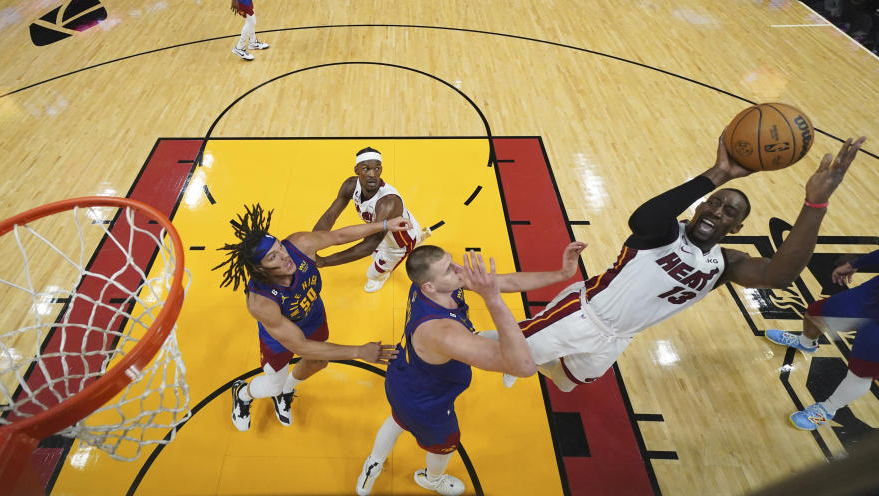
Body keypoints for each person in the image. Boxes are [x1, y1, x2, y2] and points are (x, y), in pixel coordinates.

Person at [498, 135, 865, 392]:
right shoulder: (664, 231)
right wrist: (719, 173)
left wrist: (815, 203)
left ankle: (538, 357)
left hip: (618, 338)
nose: (715, 211)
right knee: (503, 356)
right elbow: (641, 219)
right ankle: (451, 345)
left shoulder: (724, 262)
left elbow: (780, 275)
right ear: (700, 205)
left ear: (735, 228)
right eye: (713, 203)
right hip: (582, 314)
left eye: (728, 213)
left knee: (566, 383)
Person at [355, 243, 586, 496]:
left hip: (402, 376)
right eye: (448, 270)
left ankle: (373, 463)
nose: (458, 269)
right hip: (425, 401)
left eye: (452, 262)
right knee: (445, 444)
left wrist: (562, 274)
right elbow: (523, 366)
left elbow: (506, 281)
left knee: (397, 419)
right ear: (429, 286)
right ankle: (431, 480)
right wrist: (492, 299)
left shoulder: (433, 286)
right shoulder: (441, 332)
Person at [214, 204, 409, 432]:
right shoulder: (261, 302)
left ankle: (288, 389)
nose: (284, 256)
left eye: (280, 247)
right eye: (273, 257)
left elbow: (338, 236)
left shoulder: (298, 245)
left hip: (313, 316)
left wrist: (385, 224)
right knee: (273, 385)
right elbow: (302, 346)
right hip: (280, 340)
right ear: (259, 269)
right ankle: (242, 393)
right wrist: (359, 352)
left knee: (318, 363)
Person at [766, 248, 879, 429]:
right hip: (874, 295)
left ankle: (827, 409)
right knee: (815, 313)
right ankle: (806, 343)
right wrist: (855, 263)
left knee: (861, 373)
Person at [312, 147, 429, 293]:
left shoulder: (388, 202)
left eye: (377, 169)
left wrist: (324, 261)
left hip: (399, 242)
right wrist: (312, 242)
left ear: (381, 170)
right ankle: (419, 236)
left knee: (375, 272)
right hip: (387, 229)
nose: (372, 174)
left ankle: (381, 276)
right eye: (366, 169)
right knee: (377, 238)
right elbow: (330, 215)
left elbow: (368, 246)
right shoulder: (350, 185)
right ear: (357, 170)